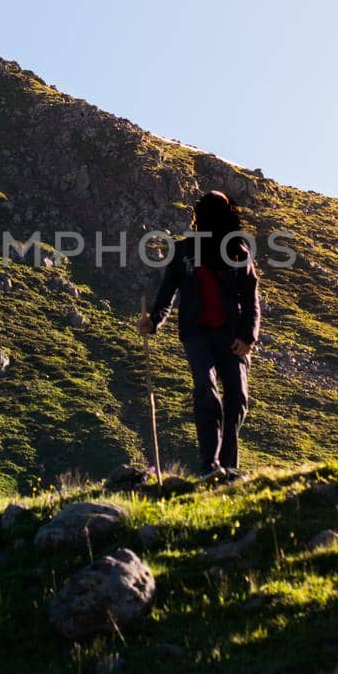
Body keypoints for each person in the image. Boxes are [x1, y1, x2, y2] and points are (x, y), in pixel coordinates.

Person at [136, 191, 261, 479]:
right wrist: (154, 321)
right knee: (206, 392)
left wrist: (248, 337)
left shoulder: (239, 253)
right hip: (197, 334)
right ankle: (210, 465)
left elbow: (252, 300)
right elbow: (168, 292)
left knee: (237, 399)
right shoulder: (185, 252)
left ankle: (228, 466)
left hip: (233, 337)